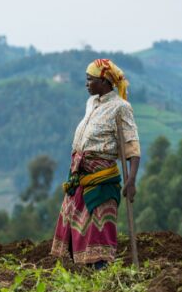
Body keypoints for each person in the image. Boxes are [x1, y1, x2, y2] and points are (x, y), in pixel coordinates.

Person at [51, 58, 141, 268]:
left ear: (104, 81)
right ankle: (77, 267)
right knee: (75, 221)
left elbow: (132, 146)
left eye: (90, 79)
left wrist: (132, 179)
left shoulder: (121, 107)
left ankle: (100, 268)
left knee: (98, 226)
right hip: (79, 176)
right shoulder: (91, 103)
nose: (86, 83)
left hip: (101, 178)